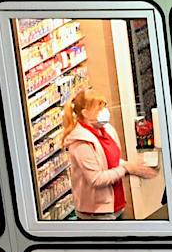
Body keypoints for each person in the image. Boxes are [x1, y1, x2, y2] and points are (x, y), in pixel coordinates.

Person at [62, 88, 155, 221]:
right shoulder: (80, 142)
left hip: (116, 207)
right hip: (96, 215)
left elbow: (111, 161)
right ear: (85, 113)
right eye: (98, 109)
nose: (104, 112)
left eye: (103, 106)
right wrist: (126, 168)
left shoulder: (106, 130)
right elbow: (96, 179)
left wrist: (134, 168)